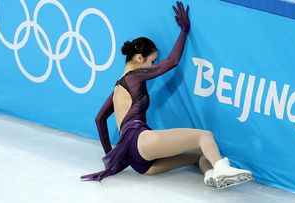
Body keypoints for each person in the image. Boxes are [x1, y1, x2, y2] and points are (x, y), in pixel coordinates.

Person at [81, 1, 253, 189]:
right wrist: (184, 31)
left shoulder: (117, 88)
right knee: (205, 136)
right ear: (139, 58)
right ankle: (222, 168)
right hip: (141, 141)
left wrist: (111, 157)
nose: (153, 65)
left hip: (136, 160)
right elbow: (172, 61)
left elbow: (99, 119)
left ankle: (212, 175)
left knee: (201, 154)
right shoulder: (134, 76)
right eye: (152, 61)